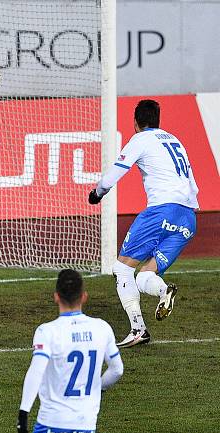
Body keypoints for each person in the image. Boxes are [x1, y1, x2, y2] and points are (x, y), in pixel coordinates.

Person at [16, 269, 124, 433]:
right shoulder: (102, 328)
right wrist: (95, 389)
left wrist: (23, 412)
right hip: (84, 423)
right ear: (84, 296)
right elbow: (117, 369)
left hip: (51, 422)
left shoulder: (47, 331)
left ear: (56, 297)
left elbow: (36, 370)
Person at [89, 99, 198, 348]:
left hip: (161, 211)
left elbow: (113, 175)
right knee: (144, 276)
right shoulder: (174, 140)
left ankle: (138, 329)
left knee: (123, 269)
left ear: (136, 123)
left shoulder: (140, 139)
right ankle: (163, 292)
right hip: (188, 219)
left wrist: (97, 193)